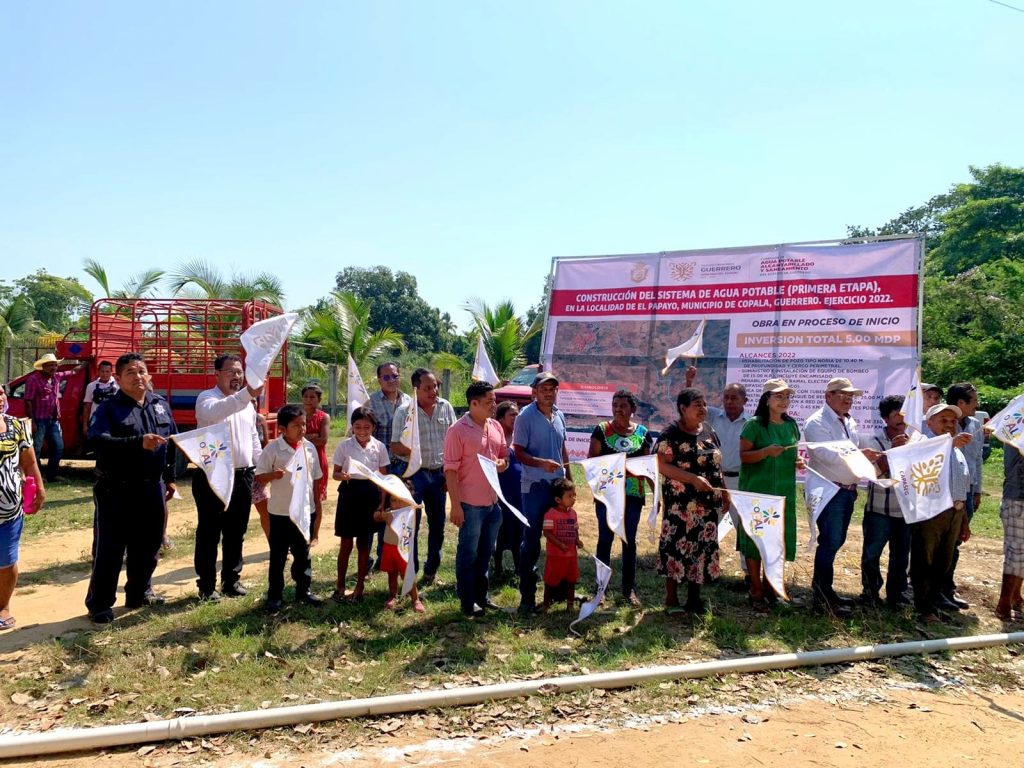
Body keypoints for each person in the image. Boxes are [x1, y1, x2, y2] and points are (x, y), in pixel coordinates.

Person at [85, 353, 177, 624]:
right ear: (118, 378)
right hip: (116, 488)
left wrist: (170, 477)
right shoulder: (109, 409)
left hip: (152, 487)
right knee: (111, 548)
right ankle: (100, 604)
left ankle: (139, 593)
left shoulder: (160, 405)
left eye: (142, 371)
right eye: (130, 373)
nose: (138, 377)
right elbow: (96, 442)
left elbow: (172, 442)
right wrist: (138, 442)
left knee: (148, 544)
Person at [803, 377, 881, 617]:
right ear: (828, 396)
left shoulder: (849, 421)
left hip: (846, 490)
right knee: (830, 541)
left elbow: (848, 453)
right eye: (843, 394)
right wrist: (860, 455)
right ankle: (822, 597)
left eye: (851, 396)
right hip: (829, 491)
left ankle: (824, 591)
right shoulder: (817, 422)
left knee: (835, 541)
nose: (848, 399)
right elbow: (826, 455)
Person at [193, 354, 264, 601]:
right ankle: (206, 586)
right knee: (209, 532)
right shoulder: (207, 399)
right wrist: (247, 394)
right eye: (231, 372)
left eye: (240, 372)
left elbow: (253, 438)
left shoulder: (248, 405)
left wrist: (260, 466)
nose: (237, 376)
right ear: (217, 374)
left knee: (236, 531)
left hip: (242, 475)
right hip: (213, 476)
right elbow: (219, 411)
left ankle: (231, 580)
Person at [656, 387, 728, 614]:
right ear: (683, 408)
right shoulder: (671, 434)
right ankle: (671, 599)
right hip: (680, 506)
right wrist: (692, 479)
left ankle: (694, 599)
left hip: (707, 505)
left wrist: (725, 491)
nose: (703, 409)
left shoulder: (708, 430)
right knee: (676, 546)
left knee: (702, 548)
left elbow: (717, 464)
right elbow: (661, 465)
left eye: (704, 404)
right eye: (697, 405)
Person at [444, 381, 507, 617]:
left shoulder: (495, 426)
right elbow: (450, 471)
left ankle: (482, 596)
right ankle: (467, 600)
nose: (494, 405)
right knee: (468, 553)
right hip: (470, 505)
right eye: (489, 401)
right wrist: (455, 506)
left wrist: (502, 463)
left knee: (486, 552)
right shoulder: (457, 431)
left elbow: (503, 456)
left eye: (494, 401)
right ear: (474, 403)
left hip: (493, 503)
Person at [737, 379, 802, 611]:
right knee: (757, 541)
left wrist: (797, 461)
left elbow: (792, 453)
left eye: (787, 397)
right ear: (767, 399)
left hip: (783, 493)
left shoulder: (791, 425)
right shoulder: (753, 425)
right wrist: (764, 452)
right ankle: (755, 589)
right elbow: (744, 456)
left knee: (777, 541)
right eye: (779, 396)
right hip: (758, 493)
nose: (784, 401)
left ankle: (771, 588)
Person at [389, 368, 457, 584]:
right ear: (415, 389)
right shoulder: (404, 412)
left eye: (435, 386)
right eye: (427, 387)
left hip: (439, 475)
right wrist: (413, 450)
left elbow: (454, 442)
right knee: (412, 525)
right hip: (413, 476)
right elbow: (395, 446)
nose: (433, 391)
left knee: (438, 524)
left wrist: (450, 475)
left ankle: (431, 571)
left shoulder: (446, 407)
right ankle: (411, 572)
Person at [254, 404, 324, 612]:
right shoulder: (273, 449)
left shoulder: (309, 447)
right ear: (283, 429)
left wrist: (316, 504)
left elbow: (315, 479)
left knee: (303, 554)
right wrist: (274, 475)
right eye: (296, 425)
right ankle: (275, 595)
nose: (302, 429)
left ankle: (304, 590)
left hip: (304, 511)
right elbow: (260, 477)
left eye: (303, 424)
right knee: (278, 555)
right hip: (280, 513)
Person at [587, 388, 653, 605]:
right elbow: (592, 461)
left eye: (623, 406)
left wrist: (656, 495)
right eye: (615, 405)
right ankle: (601, 589)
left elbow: (648, 467)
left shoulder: (643, 433)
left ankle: (629, 590)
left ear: (633, 409)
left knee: (629, 541)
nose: (618, 409)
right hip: (607, 495)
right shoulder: (601, 430)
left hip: (633, 495)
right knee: (605, 539)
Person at [512, 371, 570, 615]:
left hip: (557, 486)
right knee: (532, 539)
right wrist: (540, 463)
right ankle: (527, 597)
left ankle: (558, 591)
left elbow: (563, 448)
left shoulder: (559, 415)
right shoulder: (524, 417)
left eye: (552, 389)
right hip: (535, 486)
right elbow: (518, 452)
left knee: (561, 537)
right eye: (544, 389)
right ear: (534, 392)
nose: (549, 393)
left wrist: (568, 479)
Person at [684, 368, 749, 581]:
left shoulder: (751, 423)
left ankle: (749, 574)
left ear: (745, 400)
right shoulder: (712, 416)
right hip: (714, 480)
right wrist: (689, 381)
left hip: (740, 482)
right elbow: (690, 405)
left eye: (734, 398)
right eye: (726, 397)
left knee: (744, 529)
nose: (729, 402)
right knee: (707, 524)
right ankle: (702, 569)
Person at [910, 403, 971, 624]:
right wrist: (949, 444)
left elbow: (961, 488)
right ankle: (923, 608)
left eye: (953, 421)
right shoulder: (923, 444)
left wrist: (963, 519)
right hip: (932, 513)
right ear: (930, 423)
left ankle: (933, 604)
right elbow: (921, 463)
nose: (949, 425)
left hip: (954, 513)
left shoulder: (957, 450)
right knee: (924, 560)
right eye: (943, 420)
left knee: (943, 562)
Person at [0, 383, 46, 631]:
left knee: (6, 562)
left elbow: (29, 463)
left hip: (9, 511)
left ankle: (2, 606)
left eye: (0, 392)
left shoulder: (16, 426)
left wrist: (39, 487)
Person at [331, 407, 388, 603]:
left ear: (373, 427)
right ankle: (340, 585)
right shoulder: (344, 446)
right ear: (352, 427)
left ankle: (360, 586)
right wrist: (342, 475)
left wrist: (382, 503)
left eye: (366, 427)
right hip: (349, 494)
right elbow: (335, 473)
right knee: (346, 543)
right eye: (357, 427)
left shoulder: (379, 447)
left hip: (370, 495)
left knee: (364, 543)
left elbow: (383, 478)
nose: (362, 431)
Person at [860, 395, 912, 608]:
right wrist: (892, 451)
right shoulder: (874, 442)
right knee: (872, 554)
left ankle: (896, 594)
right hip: (879, 509)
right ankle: (870, 593)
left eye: (904, 414)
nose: (901, 419)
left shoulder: (915, 440)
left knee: (901, 556)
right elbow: (872, 473)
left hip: (905, 510)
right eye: (896, 415)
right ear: (885, 418)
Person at [368, 362, 413, 570]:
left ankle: (389, 555)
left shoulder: (409, 401)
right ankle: (372, 559)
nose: (391, 380)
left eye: (394, 376)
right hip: (381, 467)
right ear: (379, 380)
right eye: (386, 377)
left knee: (397, 512)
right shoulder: (371, 403)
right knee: (379, 510)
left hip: (403, 466)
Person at [943, 382, 984, 610]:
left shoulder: (975, 425)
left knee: (956, 540)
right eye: (974, 401)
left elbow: (977, 459)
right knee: (938, 541)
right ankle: (930, 588)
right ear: (961, 403)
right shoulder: (942, 422)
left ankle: (946, 588)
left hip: (966, 492)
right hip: (944, 491)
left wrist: (977, 490)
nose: (977, 405)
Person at [24, 353, 85, 482]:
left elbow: (73, 372)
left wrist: (86, 363)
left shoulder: (56, 377)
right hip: (39, 419)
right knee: (36, 449)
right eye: (50, 365)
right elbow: (28, 401)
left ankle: (52, 474)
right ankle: (37, 476)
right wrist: (32, 422)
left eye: (55, 365)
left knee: (58, 447)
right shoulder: (33, 379)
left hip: (53, 419)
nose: (53, 367)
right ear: (43, 366)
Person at [375, 492, 426, 613]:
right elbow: (376, 517)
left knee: (406, 574)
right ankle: (393, 596)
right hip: (389, 547)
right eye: (393, 500)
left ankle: (415, 599)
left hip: (403, 549)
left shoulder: (409, 513)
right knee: (392, 574)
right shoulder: (388, 512)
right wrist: (380, 513)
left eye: (400, 500)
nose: (397, 504)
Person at [492, 401, 523, 583]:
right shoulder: (495, 438)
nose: (516, 418)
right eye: (512, 415)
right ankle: (497, 566)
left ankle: (519, 567)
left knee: (519, 529)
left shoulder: (521, 437)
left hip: (519, 493)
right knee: (501, 528)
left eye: (517, 414)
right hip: (501, 492)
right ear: (500, 418)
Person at [542, 477, 581, 613]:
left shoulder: (573, 514)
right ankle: (545, 605)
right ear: (558, 500)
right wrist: (559, 544)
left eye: (574, 495)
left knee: (571, 580)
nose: (573, 499)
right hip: (555, 556)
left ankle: (570, 605)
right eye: (569, 496)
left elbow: (575, 530)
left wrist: (577, 540)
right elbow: (547, 532)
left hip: (571, 556)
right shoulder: (550, 514)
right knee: (550, 581)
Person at [997, 441, 1024, 621]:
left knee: (1020, 552)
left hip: (1018, 499)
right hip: (1018, 500)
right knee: (1016, 552)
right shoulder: (1017, 432)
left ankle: (1015, 595)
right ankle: (1004, 603)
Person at [301, 384, 331, 502]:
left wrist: (302, 438)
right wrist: (311, 436)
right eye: (306, 396)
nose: (308, 399)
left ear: (319, 399)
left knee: (316, 497)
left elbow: (323, 440)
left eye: (312, 397)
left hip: (317, 458)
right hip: (299, 458)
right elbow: (290, 438)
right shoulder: (296, 415)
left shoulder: (324, 417)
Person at [82, 360, 118, 432]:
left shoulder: (118, 385)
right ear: (98, 371)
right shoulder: (91, 386)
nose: (105, 374)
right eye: (102, 371)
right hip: (96, 422)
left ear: (111, 372)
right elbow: (87, 407)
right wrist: (85, 425)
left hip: (113, 422)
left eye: (107, 371)